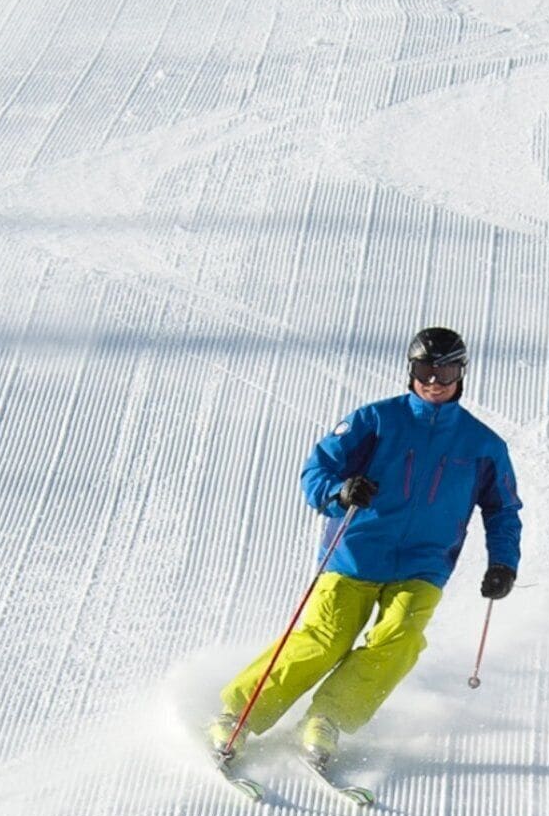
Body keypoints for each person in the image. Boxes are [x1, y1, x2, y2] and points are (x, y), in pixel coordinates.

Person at [207, 326, 523, 769]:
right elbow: (317, 471)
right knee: (325, 639)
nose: (434, 381)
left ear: (462, 374)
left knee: (400, 639)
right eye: (425, 370)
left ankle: (326, 719)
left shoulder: (483, 444)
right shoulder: (375, 421)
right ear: (411, 371)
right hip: (355, 552)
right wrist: (340, 492)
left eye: (446, 371)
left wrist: (504, 562)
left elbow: (502, 508)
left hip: (424, 563)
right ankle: (238, 715)